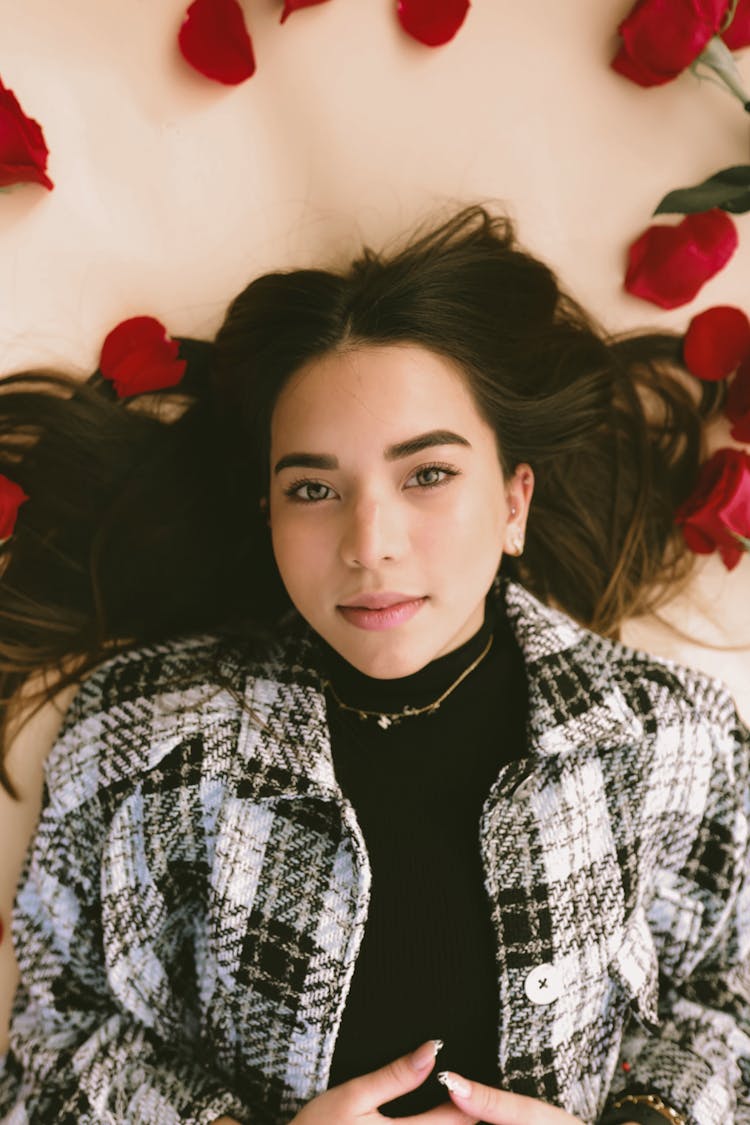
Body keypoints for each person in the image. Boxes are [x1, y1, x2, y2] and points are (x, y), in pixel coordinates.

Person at [0, 205, 746, 1125]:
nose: (369, 543)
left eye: (427, 473)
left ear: (515, 502)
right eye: (313, 489)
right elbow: (58, 1035)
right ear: (266, 512)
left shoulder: (671, 735)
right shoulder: (145, 732)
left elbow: (730, 995)